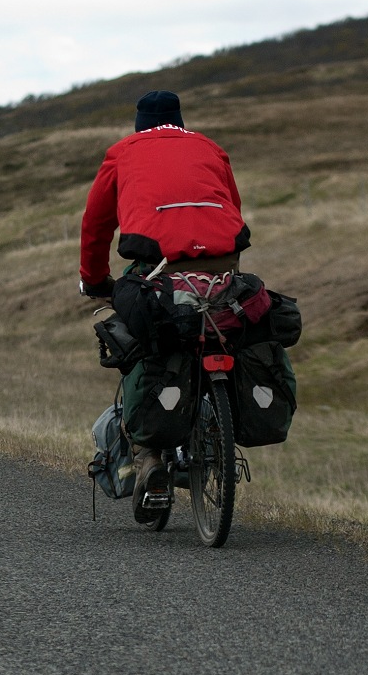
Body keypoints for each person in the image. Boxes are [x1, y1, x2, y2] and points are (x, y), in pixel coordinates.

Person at [77, 90, 250, 523]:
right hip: (221, 265)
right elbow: (232, 206)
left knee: (142, 338)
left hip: (159, 268)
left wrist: (95, 280)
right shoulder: (209, 147)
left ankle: (149, 457)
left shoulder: (123, 152)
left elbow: (96, 224)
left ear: (139, 125)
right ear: (180, 120)